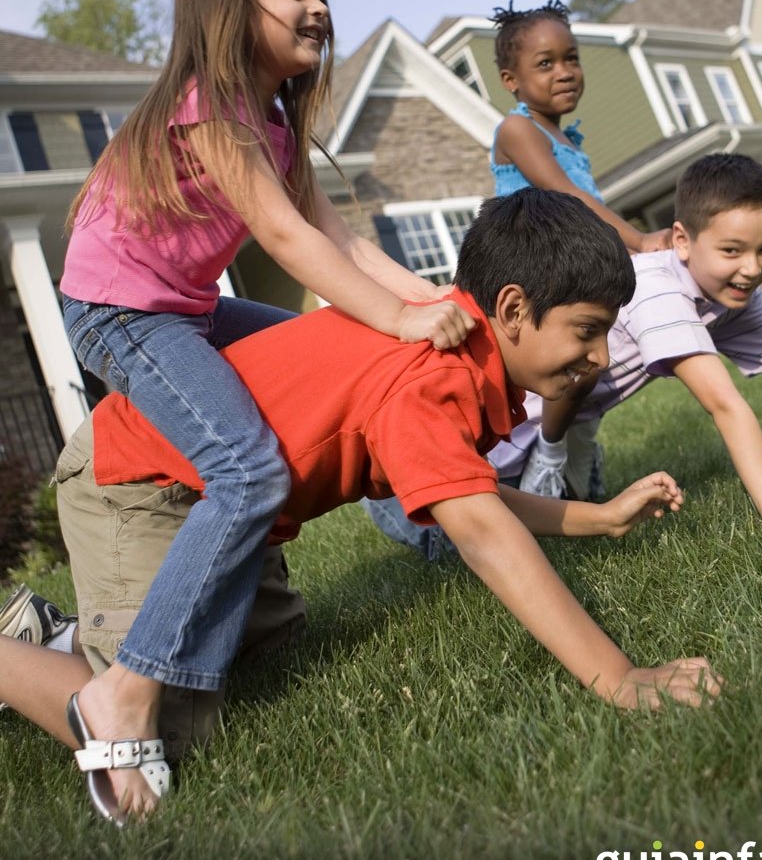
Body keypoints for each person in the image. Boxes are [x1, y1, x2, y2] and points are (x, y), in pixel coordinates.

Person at [27, 189, 721, 826]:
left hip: (224, 504)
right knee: (168, 725)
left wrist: (598, 518)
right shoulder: (429, 380)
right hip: (140, 484)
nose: (600, 357)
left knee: (266, 655)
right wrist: (620, 679)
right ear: (512, 310)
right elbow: (483, 534)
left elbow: (470, 493)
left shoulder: (457, 350)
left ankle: (66, 634)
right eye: (587, 330)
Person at [57, 0, 474, 816]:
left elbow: (337, 237)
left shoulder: (273, 119)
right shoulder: (209, 101)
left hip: (186, 308)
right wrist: (401, 316)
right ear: (228, 5)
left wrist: (430, 298)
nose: (318, 7)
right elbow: (285, 238)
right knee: (247, 472)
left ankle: (435, 533)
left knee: (347, 358)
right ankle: (123, 689)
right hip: (119, 314)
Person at [367, 153, 762, 556]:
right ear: (682, 241)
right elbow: (724, 405)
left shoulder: (732, 295)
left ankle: (549, 472)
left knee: (569, 520)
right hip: (484, 439)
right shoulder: (657, 288)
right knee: (467, 542)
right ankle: (394, 508)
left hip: (561, 427)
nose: (752, 268)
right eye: (732, 250)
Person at [488, 0, 672, 499]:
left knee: (590, 371)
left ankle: (579, 473)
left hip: (574, 268)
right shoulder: (517, 129)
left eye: (571, 58)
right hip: (536, 267)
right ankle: (547, 457)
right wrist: (639, 241)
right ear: (511, 79)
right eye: (545, 63)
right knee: (572, 366)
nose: (565, 71)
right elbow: (568, 196)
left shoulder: (568, 138)